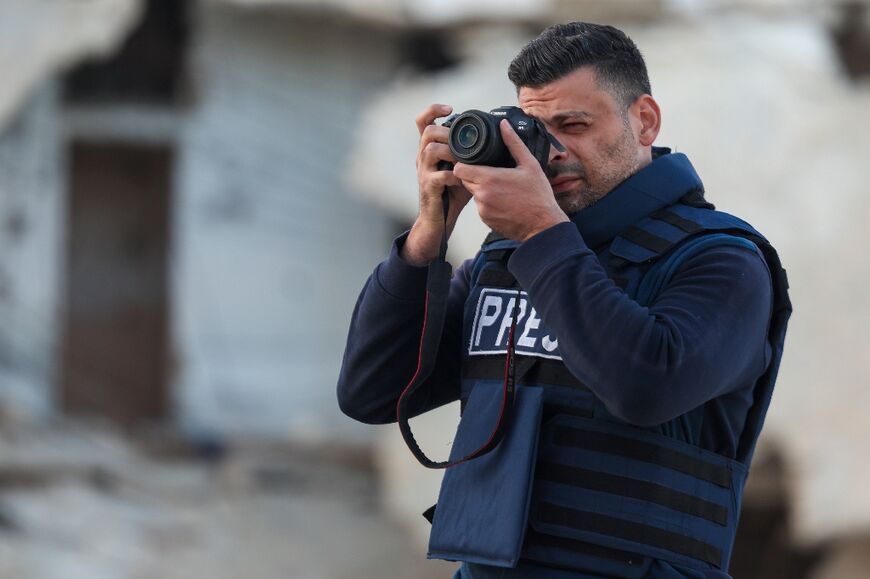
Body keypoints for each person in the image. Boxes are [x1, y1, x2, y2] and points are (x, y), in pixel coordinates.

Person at [336, 22, 791, 579]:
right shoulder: (508, 257)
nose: (551, 152)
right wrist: (427, 235)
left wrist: (541, 232)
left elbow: (644, 388)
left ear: (643, 121)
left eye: (573, 125)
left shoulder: (720, 259)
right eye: (536, 128)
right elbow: (373, 393)